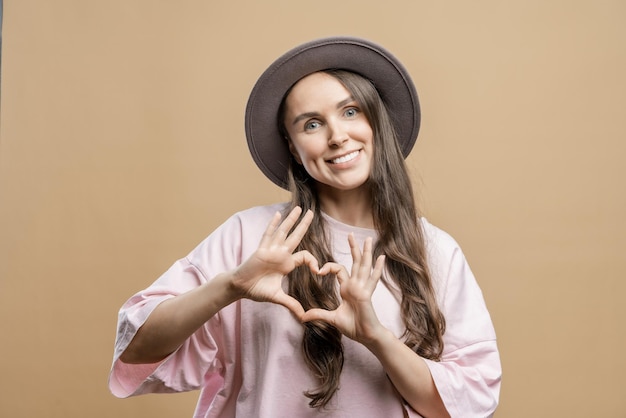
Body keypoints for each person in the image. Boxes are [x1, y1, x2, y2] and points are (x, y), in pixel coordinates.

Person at [108, 36, 501, 418]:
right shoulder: (253, 236)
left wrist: (376, 337)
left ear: (377, 121)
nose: (337, 136)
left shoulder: (435, 250)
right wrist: (229, 287)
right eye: (312, 124)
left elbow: (464, 403)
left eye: (350, 112)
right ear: (293, 148)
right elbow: (136, 348)